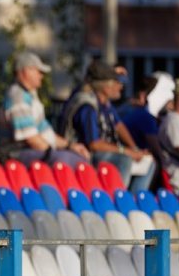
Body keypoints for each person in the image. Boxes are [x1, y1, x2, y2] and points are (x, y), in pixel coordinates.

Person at [59, 60, 154, 192]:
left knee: (148, 161)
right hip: (84, 154)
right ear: (105, 87)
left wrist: (135, 149)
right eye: (117, 82)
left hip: (102, 152)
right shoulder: (87, 105)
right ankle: (117, 197)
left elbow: (118, 126)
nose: (121, 86)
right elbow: (94, 144)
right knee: (124, 159)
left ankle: (134, 198)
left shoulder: (105, 103)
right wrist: (126, 151)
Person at [0, 52, 91, 169]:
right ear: (26, 71)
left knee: (79, 156)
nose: (42, 76)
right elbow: (31, 139)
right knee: (67, 160)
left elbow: (45, 131)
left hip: (32, 150)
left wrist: (70, 146)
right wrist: (54, 151)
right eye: (39, 72)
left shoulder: (29, 95)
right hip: (17, 153)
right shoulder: (17, 97)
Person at [122, 74, 175, 181]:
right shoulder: (144, 116)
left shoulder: (127, 108)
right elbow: (157, 150)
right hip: (133, 162)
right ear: (143, 96)